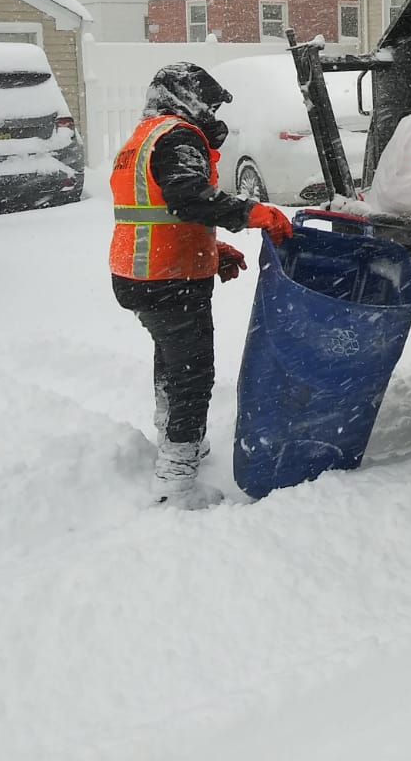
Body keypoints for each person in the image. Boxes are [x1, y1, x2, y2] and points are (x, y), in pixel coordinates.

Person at [110, 63, 293, 509]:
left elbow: (156, 210)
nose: (211, 113)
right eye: (207, 103)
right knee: (192, 376)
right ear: (186, 97)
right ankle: (176, 479)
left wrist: (211, 254)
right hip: (168, 279)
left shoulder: (144, 136)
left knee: (172, 361)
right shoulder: (178, 136)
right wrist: (255, 213)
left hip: (140, 272)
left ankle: (176, 440)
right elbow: (188, 196)